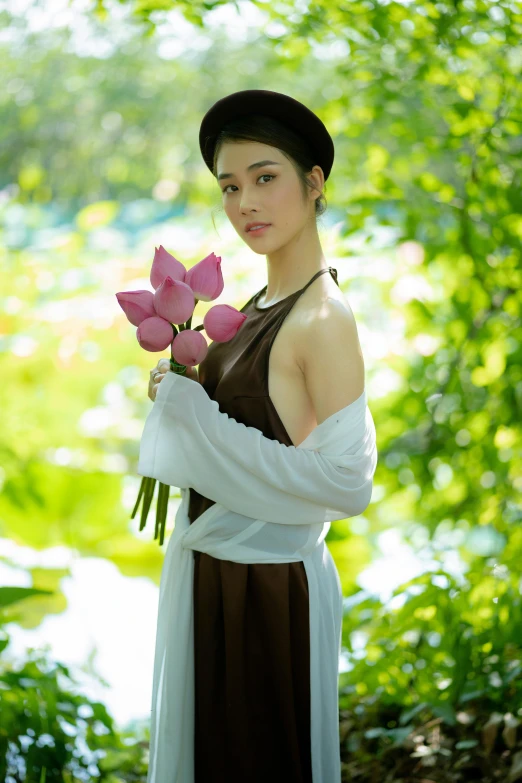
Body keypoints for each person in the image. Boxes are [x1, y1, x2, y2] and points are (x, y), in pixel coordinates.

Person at [145, 90, 372, 783]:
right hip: (216, 577)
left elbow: (346, 482)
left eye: (265, 177)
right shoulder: (251, 308)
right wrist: (177, 392)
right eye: (230, 186)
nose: (246, 202)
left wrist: (196, 423)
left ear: (314, 181)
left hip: (269, 596)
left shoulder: (322, 318)